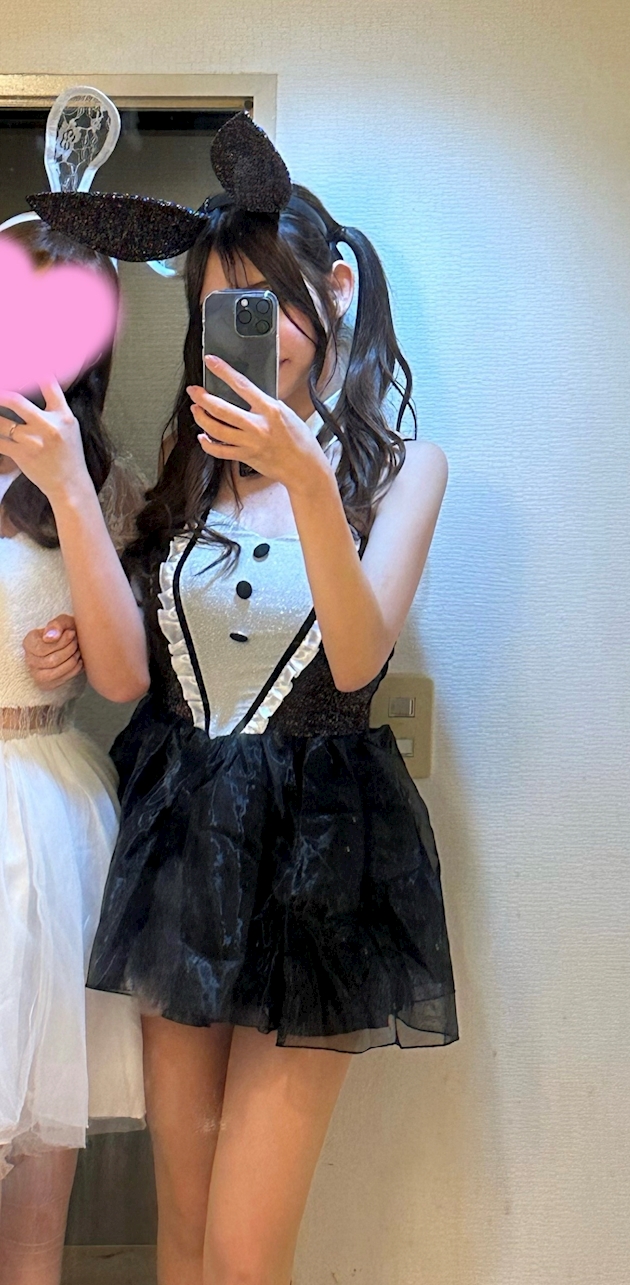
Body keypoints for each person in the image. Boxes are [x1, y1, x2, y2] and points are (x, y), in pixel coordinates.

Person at [25, 112, 458, 1285]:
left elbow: (357, 661)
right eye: (219, 311)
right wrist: (69, 521)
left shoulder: (399, 469)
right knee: (179, 1228)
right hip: (180, 842)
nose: (243, 335)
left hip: (316, 857)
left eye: (262, 306)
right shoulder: (189, 456)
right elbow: (131, 671)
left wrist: (307, 477)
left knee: (244, 1251)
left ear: (332, 293)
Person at [0, 214, 148, 1285]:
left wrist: (66, 488)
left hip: (47, 827)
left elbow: (125, 675)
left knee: (35, 1214)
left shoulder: (105, 481)